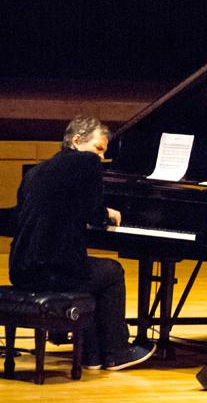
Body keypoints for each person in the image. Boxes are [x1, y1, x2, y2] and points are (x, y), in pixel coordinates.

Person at [9, 115, 155, 370]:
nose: (100, 158)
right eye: (99, 149)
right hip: (51, 272)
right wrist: (106, 213)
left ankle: (93, 355)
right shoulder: (85, 163)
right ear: (77, 141)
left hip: (22, 271)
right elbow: (92, 210)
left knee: (88, 270)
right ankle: (116, 351)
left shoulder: (36, 171)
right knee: (111, 272)